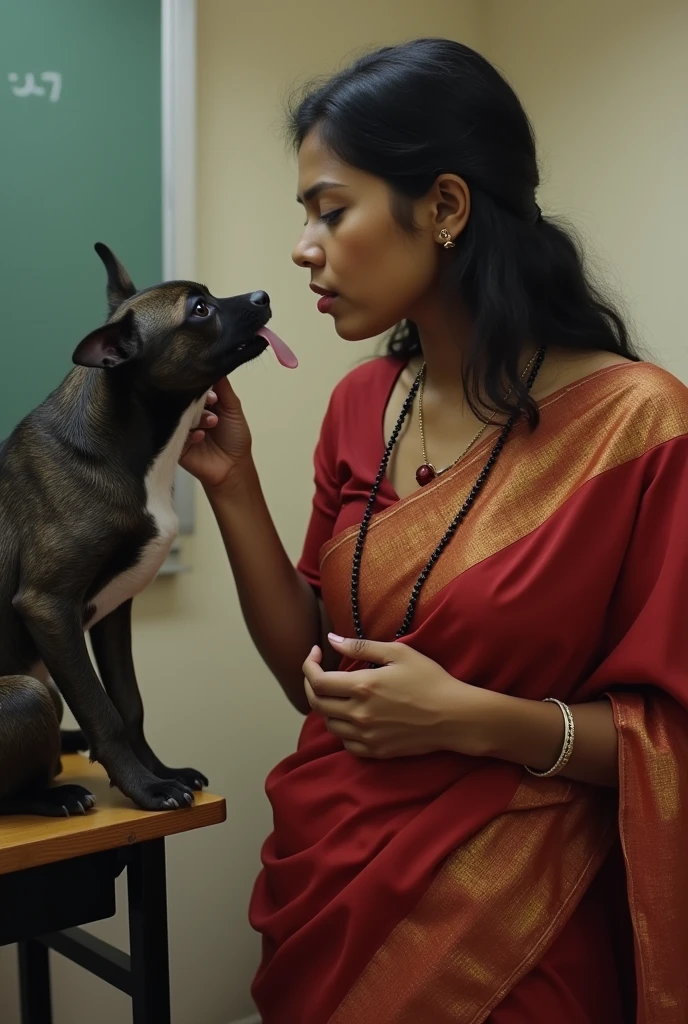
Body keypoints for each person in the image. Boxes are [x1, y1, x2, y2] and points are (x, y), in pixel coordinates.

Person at [181, 38, 688, 1024]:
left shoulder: (639, 426)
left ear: (445, 207)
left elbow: (670, 737)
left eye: (330, 210)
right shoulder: (360, 402)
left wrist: (471, 717)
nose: (304, 247)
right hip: (330, 898)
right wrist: (233, 485)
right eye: (305, 218)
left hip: (516, 933)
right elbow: (318, 683)